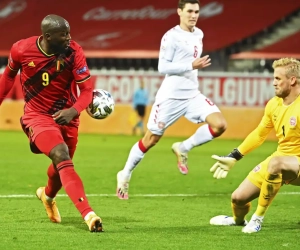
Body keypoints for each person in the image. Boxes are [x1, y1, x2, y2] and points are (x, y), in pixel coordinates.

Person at [0, 14, 103, 232]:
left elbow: (86, 91)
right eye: (63, 34)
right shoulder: (21, 50)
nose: (69, 37)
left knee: (61, 166)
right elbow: (8, 77)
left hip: (68, 117)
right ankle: (89, 214)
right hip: (37, 116)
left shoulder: (74, 52)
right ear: (48, 36)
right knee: (60, 153)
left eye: (69, 33)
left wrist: (73, 110)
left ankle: (47, 196)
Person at [116, 0, 227, 200]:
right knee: (150, 139)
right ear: (179, 12)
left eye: (197, 12)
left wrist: (192, 66)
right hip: (170, 97)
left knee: (219, 125)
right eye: (190, 11)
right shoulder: (171, 36)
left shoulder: (199, 34)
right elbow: (163, 67)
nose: (193, 15)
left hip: (193, 95)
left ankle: (184, 147)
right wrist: (190, 65)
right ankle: (124, 174)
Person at [209, 57, 300, 233]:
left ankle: (257, 219)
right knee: (238, 198)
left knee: (276, 163)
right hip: (281, 159)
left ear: (293, 80)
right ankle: (237, 220)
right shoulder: (274, 104)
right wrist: (234, 156)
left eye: (278, 79)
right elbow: (259, 134)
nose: (273, 83)